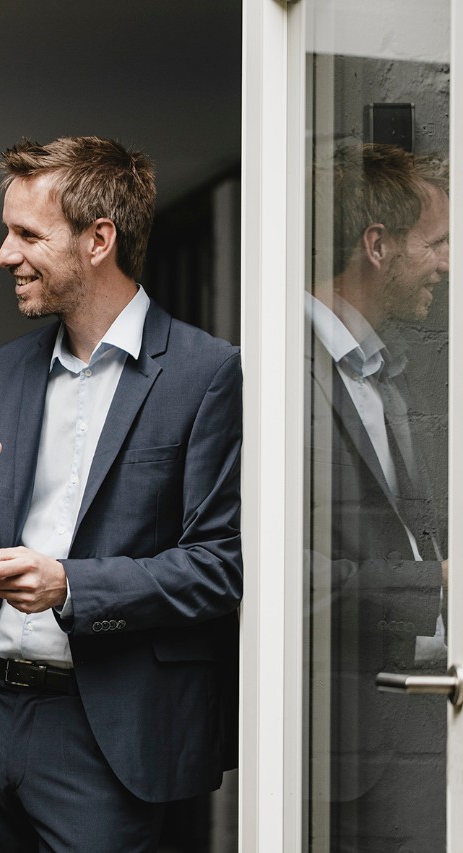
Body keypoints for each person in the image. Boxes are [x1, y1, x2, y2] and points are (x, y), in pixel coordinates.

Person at [0, 136, 242, 852]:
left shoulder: (208, 374)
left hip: (105, 732)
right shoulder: (1, 370)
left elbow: (221, 564)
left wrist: (70, 584)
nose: (4, 254)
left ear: (100, 239)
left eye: (27, 234)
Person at [306, 142, 449, 850]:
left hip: (420, 722)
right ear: (378, 245)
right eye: (439, 242)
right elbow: (276, 566)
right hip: (346, 748)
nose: (448, 264)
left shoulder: (384, 374)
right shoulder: (277, 369)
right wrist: (430, 583)